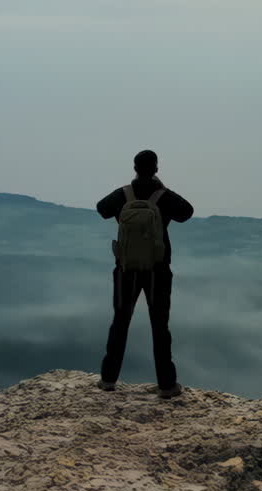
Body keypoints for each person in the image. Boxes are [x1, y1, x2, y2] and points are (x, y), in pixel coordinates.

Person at [95, 150, 194, 399]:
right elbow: (187, 212)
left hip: (125, 269)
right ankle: (167, 385)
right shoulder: (163, 196)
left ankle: (108, 379)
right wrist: (161, 190)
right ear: (156, 168)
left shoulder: (123, 195)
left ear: (135, 167)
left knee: (120, 323)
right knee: (160, 326)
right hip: (157, 271)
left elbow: (102, 209)